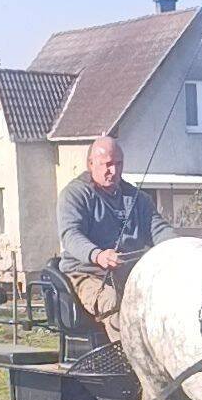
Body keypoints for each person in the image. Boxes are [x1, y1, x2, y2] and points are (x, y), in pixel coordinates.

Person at [57, 136, 177, 342]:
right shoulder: (75, 195)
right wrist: (98, 255)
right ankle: (128, 364)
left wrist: (181, 247)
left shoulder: (138, 198)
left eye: (118, 164)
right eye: (107, 164)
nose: (113, 171)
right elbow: (71, 235)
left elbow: (159, 229)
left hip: (131, 274)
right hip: (86, 275)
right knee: (111, 302)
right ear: (91, 164)